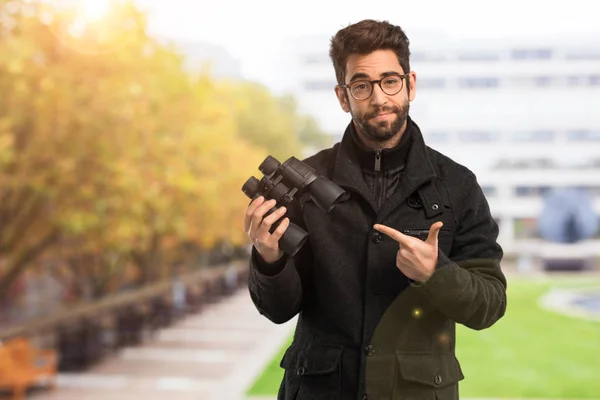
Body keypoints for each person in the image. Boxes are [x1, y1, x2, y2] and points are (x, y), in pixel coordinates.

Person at [243, 19, 507, 400]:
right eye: (362, 86)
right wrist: (269, 259)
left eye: (390, 81)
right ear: (342, 96)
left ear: (410, 84)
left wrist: (436, 273)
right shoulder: (306, 181)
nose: (379, 98)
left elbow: (489, 305)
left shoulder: (457, 184)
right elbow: (279, 309)